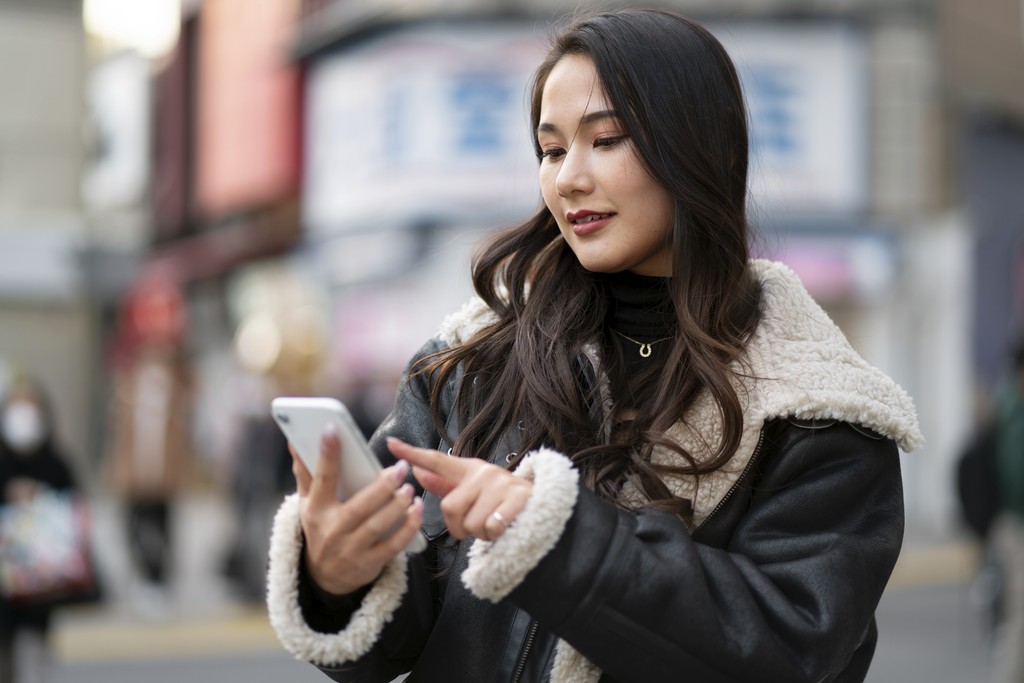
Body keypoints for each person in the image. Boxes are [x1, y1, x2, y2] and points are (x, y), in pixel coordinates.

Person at [265, 9, 922, 682]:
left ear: (707, 149)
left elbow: (784, 648)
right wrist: (337, 574)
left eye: (606, 139)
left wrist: (549, 533)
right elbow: (392, 638)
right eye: (551, 150)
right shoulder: (473, 364)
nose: (569, 178)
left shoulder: (817, 410)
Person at [0, 374, 81, 683]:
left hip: (41, 585)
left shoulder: (56, 463)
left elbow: (75, 508)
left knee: (36, 653)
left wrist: (41, 497)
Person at [989, 341, 1024, 683]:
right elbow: (1016, 476)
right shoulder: (1014, 411)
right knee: (1018, 619)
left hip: (1012, 523)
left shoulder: (1008, 405)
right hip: (1017, 526)